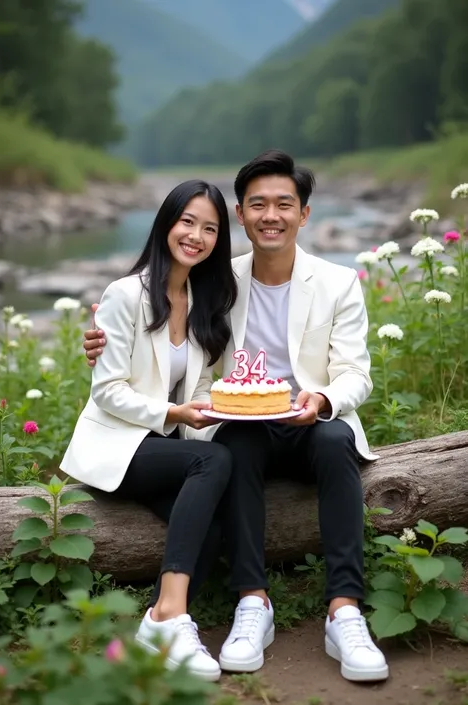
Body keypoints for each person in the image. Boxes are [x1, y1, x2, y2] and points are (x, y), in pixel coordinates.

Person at [82, 150, 389, 683]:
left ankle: (345, 610)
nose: (271, 215)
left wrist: (321, 401)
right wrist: (100, 342)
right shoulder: (218, 282)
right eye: (258, 205)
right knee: (229, 450)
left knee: (335, 440)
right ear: (242, 216)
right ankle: (252, 603)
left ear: (304, 214)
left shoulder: (339, 282)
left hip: (311, 420)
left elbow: (355, 375)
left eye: (284, 204)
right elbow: (174, 344)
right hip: (241, 425)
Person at [60, 179, 238, 682]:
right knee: (213, 461)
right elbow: (107, 390)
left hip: (166, 448)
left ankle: (159, 619)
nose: (196, 236)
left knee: (215, 530)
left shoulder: (205, 303)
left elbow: (200, 387)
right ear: (166, 224)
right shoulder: (125, 294)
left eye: (209, 229)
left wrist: (221, 411)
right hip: (117, 444)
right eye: (188, 222)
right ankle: (174, 617)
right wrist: (175, 414)